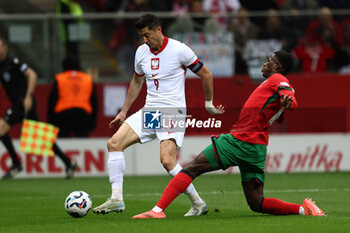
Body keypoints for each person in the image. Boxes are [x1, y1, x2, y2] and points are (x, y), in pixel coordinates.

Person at [132, 50, 326, 219]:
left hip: (240, 140)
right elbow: (281, 109)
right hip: (256, 148)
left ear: (278, 66)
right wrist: (285, 101)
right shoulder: (274, 85)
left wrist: (288, 100)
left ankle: (157, 210)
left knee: (191, 168)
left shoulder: (278, 79)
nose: (265, 63)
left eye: (269, 60)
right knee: (256, 203)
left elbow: (289, 97)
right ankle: (303, 210)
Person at [93, 13, 225, 216]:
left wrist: (208, 103)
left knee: (167, 160)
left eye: (147, 35)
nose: (145, 40)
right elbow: (137, 81)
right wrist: (124, 111)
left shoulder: (179, 49)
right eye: (141, 36)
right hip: (150, 111)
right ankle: (117, 199)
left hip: (172, 111)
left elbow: (206, 74)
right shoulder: (141, 52)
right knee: (114, 144)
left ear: (158, 30)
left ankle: (197, 203)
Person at [0, 36, 77, 179]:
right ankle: (68, 163)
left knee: (1, 128)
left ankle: (16, 164)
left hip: (24, 103)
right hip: (18, 104)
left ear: (4, 48)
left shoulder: (13, 61)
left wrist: (28, 96)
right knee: (42, 138)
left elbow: (32, 75)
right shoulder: (1, 65)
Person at [48, 56, 98, 138]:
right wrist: (92, 123)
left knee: (63, 143)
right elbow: (94, 102)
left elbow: (52, 101)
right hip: (83, 115)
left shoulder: (59, 78)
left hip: (63, 115)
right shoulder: (88, 79)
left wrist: (51, 121)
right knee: (83, 143)